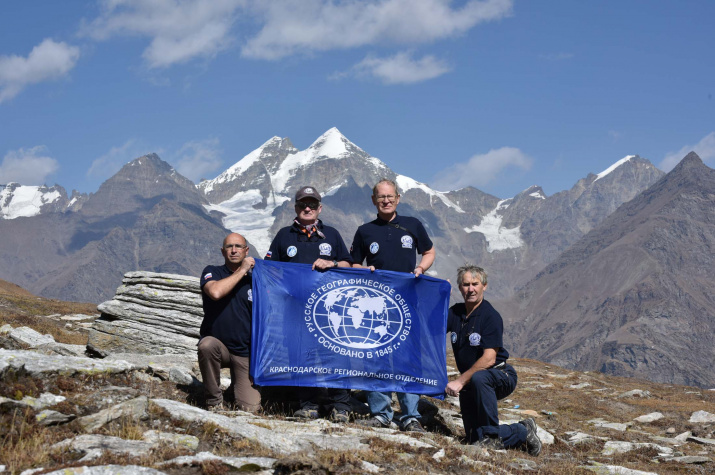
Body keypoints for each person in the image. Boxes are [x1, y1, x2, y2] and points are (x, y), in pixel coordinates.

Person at [350, 178, 436, 432]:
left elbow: (429, 252)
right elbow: (353, 263)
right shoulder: (365, 230)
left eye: (390, 196)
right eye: (380, 197)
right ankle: (381, 414)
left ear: (398, 198)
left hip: (407, 303)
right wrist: (366, 270)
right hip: (375, 305)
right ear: (374, 200)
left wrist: (420, 267)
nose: (385, 200)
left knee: (408, 358)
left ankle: (411, 416)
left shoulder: (413, 224)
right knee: (376, 356)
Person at [265, 185, 353, 423]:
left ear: (319, 208)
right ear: (295, 207)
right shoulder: (284, 235)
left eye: (312, 204)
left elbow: (348, 265)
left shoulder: (332, 234)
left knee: (336, 355)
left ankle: (341, 406)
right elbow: (270, 270)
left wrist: (332, 263)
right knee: (300, 355)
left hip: (330, 310)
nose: (307, 208)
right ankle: (308, 404)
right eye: (303, 204)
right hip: (295, 311)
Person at [445, 264, 541, 455]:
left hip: (499, 375)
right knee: (474, 438)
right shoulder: (455, 313)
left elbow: (489, 359)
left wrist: (460, 381)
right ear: (459, 287)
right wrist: (439, 296)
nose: (470, 289)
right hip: (471, 383)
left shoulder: (490, 316)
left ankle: (491, 435)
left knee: (481, 377)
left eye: (475, 284)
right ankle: (523, 430)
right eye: (465, 285)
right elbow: (429, 325)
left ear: (484, 286)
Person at [198, 232, 260, 413]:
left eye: (238, 247)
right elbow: (215, 292)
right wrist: (242, 270)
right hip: (220, 347)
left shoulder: (255, 279)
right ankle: (214, 401)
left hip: (245, 352)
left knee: (250, 408)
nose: (234, 250)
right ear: (222, 251)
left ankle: (235, 389)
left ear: (246, 250)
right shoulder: (212, 272)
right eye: (229, 247)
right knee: (206, 346)